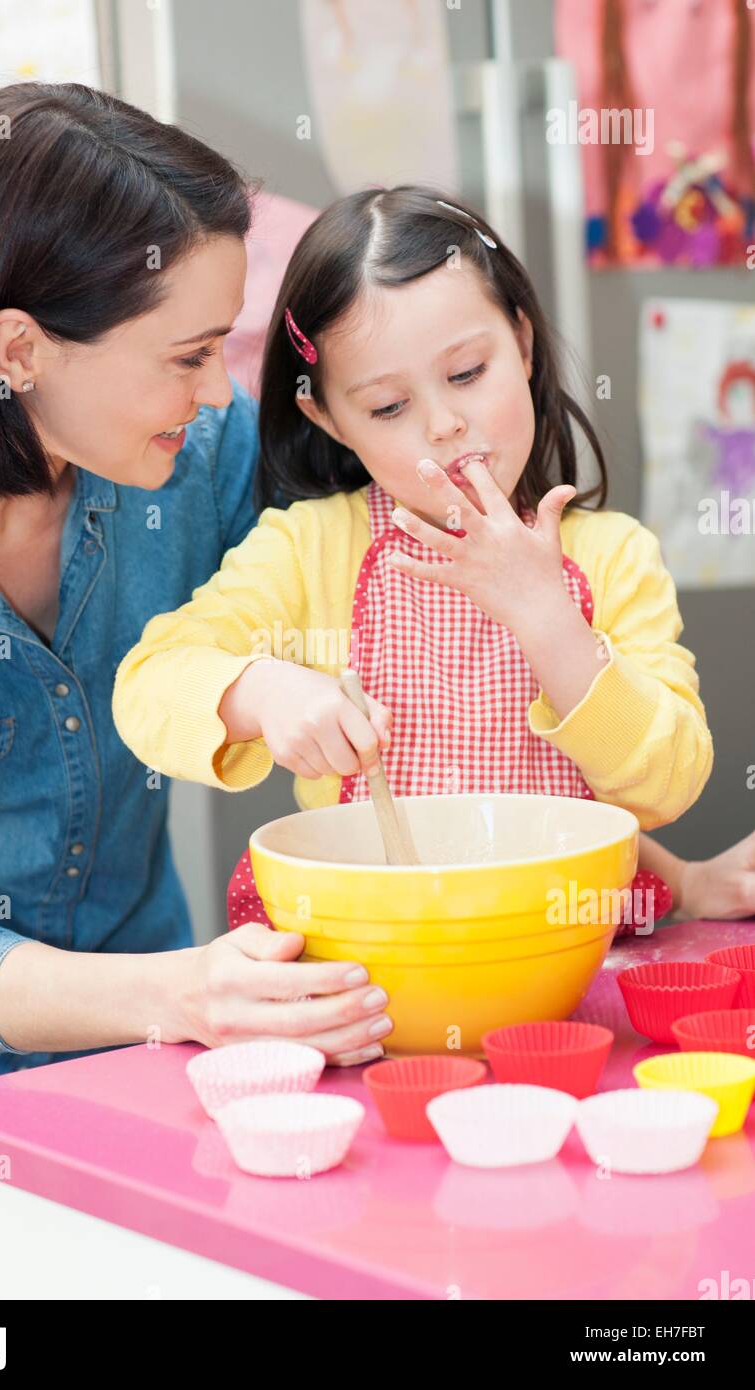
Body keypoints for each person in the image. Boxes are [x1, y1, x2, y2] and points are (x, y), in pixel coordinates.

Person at [0, 82, 386, 1299]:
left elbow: (381, 609)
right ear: (20, 350)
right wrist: (187, 989)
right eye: (191, 354)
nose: (217, 392)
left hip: (157, 1058)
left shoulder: (196, 462)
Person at [113, 184, 716, 958]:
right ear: (328, 418)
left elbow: (667, 784)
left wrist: (549, 621)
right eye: (388, 408)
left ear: (523, 344)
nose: (443, 423)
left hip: (557, 952)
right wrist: (257, 691)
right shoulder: (308, 551)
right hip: (369, 955)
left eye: (467, 372)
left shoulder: (613, 557)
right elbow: (146, 686)